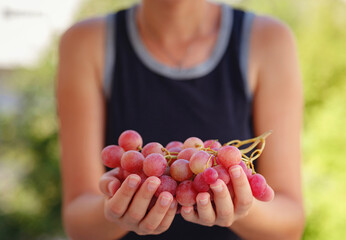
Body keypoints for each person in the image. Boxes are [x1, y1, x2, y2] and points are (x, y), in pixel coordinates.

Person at [56, 0, 305, 239]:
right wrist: (116, 210)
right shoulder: (85, 42)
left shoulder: (268, 40)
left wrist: (240, 206)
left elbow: (289, 224)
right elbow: (79, 223)